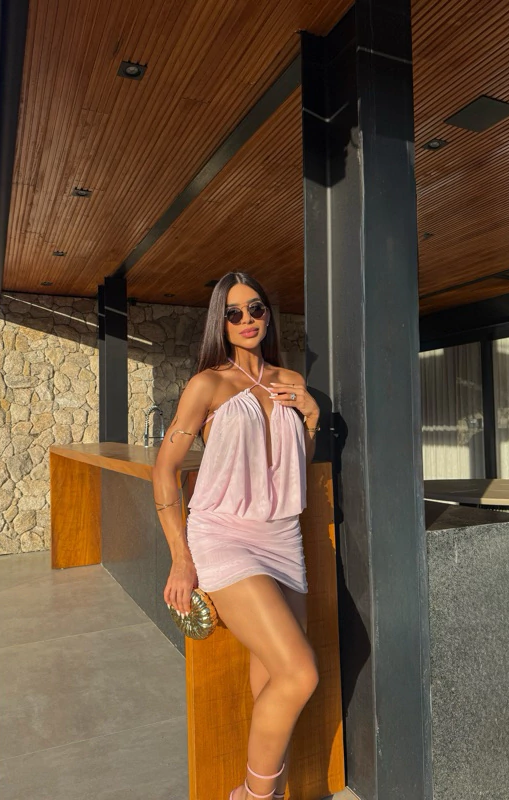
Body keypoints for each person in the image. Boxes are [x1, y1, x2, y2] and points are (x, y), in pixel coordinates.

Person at [152, 271, 322, 800]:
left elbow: (296, 463)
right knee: (300, 674)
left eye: (255, 309)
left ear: (268, 315)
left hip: (282, 536)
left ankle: (267, 791)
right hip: (224, 535)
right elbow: (165, 470)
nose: (247, 320)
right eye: (233, 313)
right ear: (220, 324)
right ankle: (253, 796)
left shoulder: (288, 379)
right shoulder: (208, 384)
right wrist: (181, 558)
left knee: (274, 677)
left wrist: (311, 415)